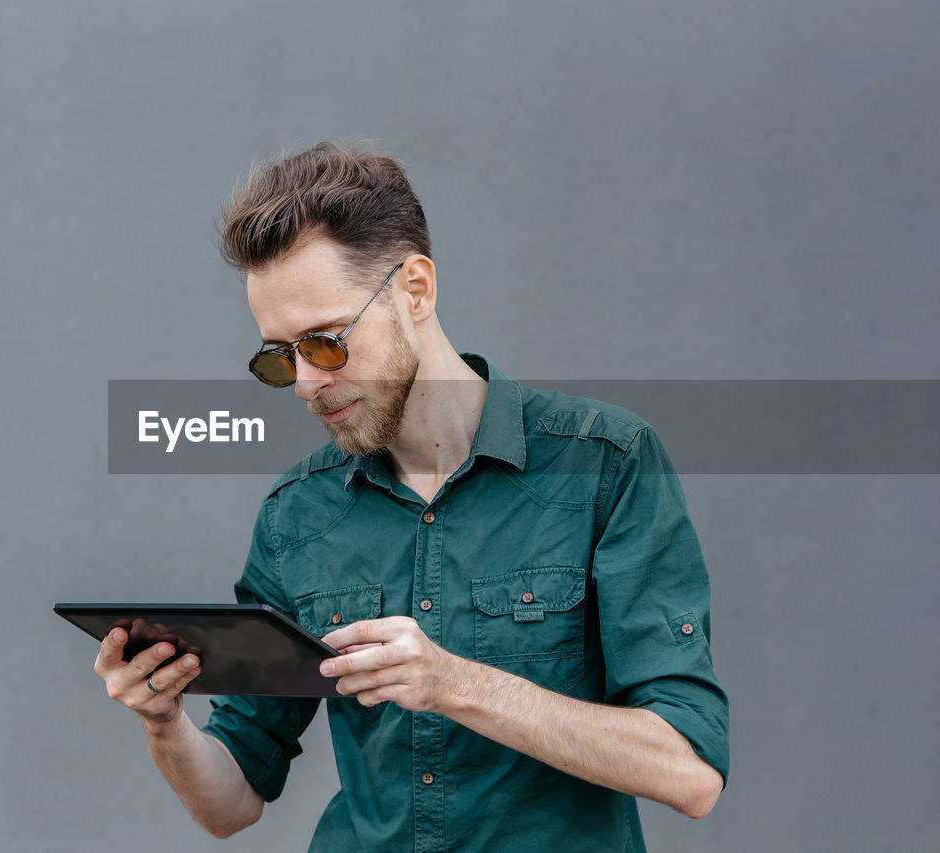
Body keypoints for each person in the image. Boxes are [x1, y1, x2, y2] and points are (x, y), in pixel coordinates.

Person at [94, 141, 729, 851]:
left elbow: (689, 770)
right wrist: (164, 722)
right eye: (279, 356)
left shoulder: (605, 464)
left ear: (416, 290)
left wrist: (451, 682)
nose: (305, 382)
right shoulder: (297, 514)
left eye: (326, 342)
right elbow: (230, 802)